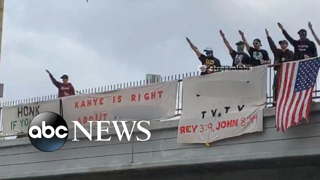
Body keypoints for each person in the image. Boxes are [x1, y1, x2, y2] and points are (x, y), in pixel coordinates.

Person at [265, 28, 294, 104]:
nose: (282, 45)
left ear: (287, 45)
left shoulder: (290, 52)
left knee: (286, 86)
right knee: (275, 85)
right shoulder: (278, 52)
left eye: (284, 43)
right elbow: (272, 46)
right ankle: (275, 101)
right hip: (279, 71)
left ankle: (287, 101)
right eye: (281, 43)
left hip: (287, 72)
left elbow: (293, 60)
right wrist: (268, 37)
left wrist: (286, 60)